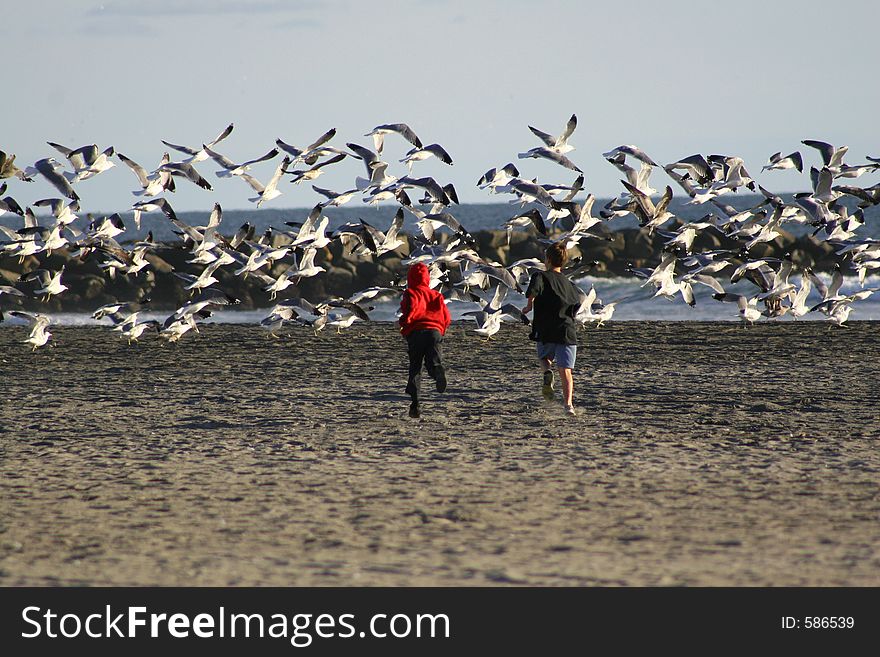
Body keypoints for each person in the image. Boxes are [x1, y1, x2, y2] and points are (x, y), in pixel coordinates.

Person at [522, 242, 582, 415]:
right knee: (566, 371)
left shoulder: (540, 276)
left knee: (544, 357)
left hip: (546, 328)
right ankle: (569, 405)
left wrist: (528, 306)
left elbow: (533, 290)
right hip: (567, 330)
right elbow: (577, 304)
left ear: (547, 259)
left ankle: (547, 372)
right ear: (563, 262)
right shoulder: (569, 284)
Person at [398, 261, 451, 418]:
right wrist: (441, 330)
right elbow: (446, 317)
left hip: (416, 333)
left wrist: (403, 324)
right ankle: (437, 371)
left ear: (411, 278)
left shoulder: (410, 293)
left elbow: (410, 311)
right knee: (433, 362)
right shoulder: (437, 295)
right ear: (427, 278)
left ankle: (415, 405)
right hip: (435, 332)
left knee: (415, 368)